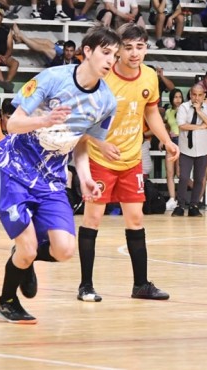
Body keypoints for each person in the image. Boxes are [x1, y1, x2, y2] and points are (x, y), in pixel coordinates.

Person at [0, 26, 121, 324]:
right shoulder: (52, 78)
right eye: (105, 53)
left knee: (64, 250)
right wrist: (44, 120)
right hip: (16, 168)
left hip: (51, 179)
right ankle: (7, 301)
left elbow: (81, 142)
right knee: (27, 248)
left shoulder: (106, 102)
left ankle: (24, 259)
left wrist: (85, 176)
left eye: (114, 56)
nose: (110, 61)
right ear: (87, 51)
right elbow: (11, 125)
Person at [77, 24, 179, 303]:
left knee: (136, 219)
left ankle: (141, 285)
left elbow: (151, 112)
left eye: (140, 46)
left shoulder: (149, 76)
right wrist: (100, 143)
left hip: (131, 159)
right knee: (93, 220)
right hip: (100, 159)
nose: (135, 53)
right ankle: (86, 285)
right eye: (129, 47)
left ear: (146, 48)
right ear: (118, 48)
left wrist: (167, 139)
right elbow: (82, 121)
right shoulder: (104, 78)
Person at [172, 84, 207, 217]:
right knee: (183, 177)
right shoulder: (183, 107)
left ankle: (194, 205)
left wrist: (200, 112)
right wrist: (200, 127)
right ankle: (180, 205)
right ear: (190, 95)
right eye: (194, 95)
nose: (196, 98)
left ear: (204, 96)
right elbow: (182, 125)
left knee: (199, 178)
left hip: (203, 149)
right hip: (186, 149)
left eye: (199, 95)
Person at [12, 24, 80, 67]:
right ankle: (21, 39)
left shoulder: (76, 62)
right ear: (63, 50)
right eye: (67, 50)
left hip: (57, 62)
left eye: (71, 51)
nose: (69, 53)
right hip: (61, 57)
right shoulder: (62, 56)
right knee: (46, 42)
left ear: (74, 52)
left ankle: (22, 38)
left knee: (45, 48)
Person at [162, 88, 184, 211]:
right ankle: (172, 199)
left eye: (180, 97)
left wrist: (179, 134)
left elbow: (187, 127)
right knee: (169, 173)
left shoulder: (186, 110)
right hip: (171, 143)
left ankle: (193, 195)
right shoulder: (168, 112)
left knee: (180, 173)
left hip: (181, 142)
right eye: (175, 97)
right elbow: (166, 125)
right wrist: (163, 139)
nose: (178, 99)